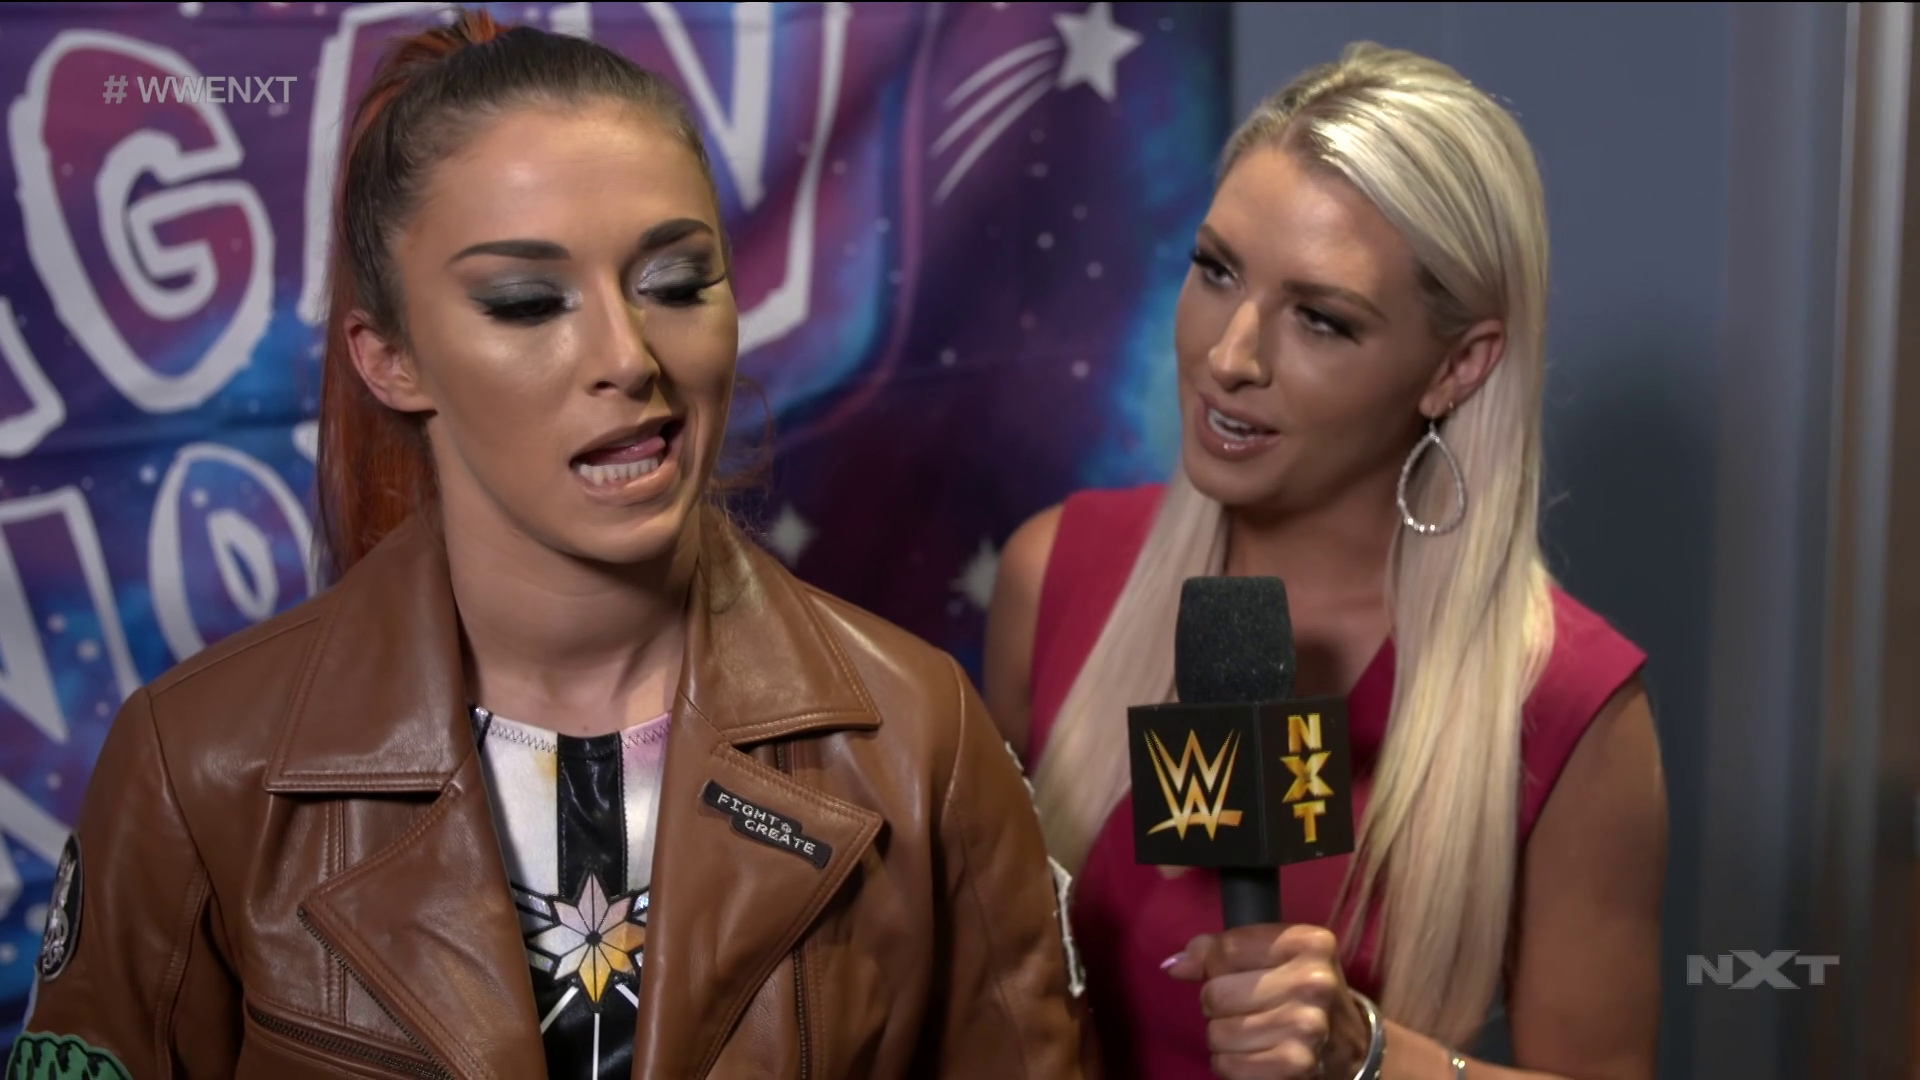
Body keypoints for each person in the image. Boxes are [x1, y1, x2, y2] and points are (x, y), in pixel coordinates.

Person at [12, 13, 1092, 1080]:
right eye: (528, 302)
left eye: (677, 283)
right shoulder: (196, 766)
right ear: (390, 359)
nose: (629, 355)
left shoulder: (922, 741)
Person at [985, 43, 1667, 1080]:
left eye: (1320, 319)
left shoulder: (1570, 703)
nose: (1229, 356)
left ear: (1458, 366)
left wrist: (1367, 1051)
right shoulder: (1055, 573)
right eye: (1216, 270)